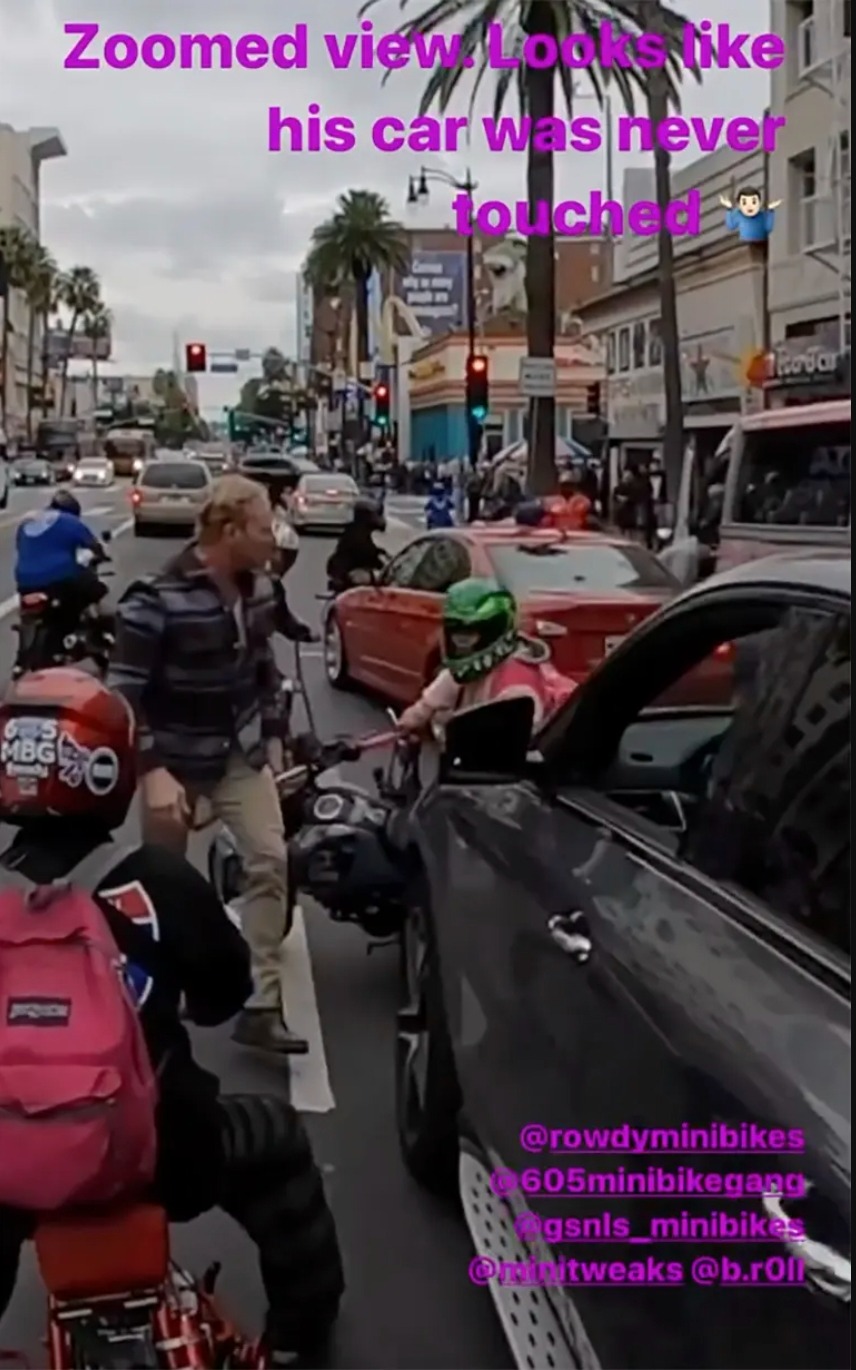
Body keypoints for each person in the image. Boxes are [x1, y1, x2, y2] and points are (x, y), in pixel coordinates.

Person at [0, 668, 344, 1365]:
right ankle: (296, 1340)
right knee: (275, 1144)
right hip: (160, 1154)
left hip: (7, 1171)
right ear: (112, 771)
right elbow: (222, 997)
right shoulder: (156, 880)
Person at [106, 473, 306, 1055]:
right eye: (265, 529)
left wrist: (274, 738)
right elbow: (124, 696)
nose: (275, 540)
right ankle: (157, 1008)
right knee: (161, 889)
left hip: (239, 755)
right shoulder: (155, 597)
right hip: (175, 760)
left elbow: (265, 671)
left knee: (270, 861)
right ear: (228, 530)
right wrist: (152, 770)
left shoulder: (261, 591)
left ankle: (261, 1005)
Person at [397, 577, 575, 736]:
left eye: (467, 637)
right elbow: (423, 707)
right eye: (455, 634)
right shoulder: (461, 673)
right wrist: (409, 722)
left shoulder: (517, 691)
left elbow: (504, 754)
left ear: (494, 632)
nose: (460, 646)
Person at [14, 491, 111, 663]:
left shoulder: (28, 523)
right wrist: (101, 554)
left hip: (25, 583)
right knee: (96, 589)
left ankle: (23, 658)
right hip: (60, 580)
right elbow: (93, 545)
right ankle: (88, 637)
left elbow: (20, 547)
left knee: (27, 617)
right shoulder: (70, 521)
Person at [325, 497, 387, 593]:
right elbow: (365, 552)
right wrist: (380, 561)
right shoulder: (358, 533)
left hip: (346, 569)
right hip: (349, 571)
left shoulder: (358, 529)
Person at [541, 468, 593, 532]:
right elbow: (549, 514)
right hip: (557, 532)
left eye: (569, 485)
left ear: (574, 486)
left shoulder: (582, 499)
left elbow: (584, 511)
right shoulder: (553, 500)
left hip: (578, 532)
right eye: (564, 485)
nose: (566, 488)